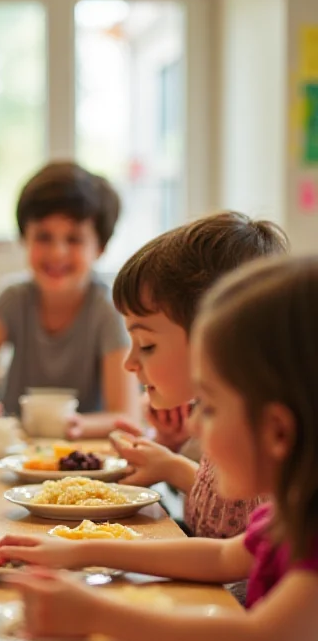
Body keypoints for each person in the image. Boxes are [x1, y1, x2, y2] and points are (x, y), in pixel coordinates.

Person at [0, 255, 318, 641]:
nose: (196, 428)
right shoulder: (292, 510)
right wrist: (76, 551)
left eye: (212, 409)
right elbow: (224, 558)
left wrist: (98, 616)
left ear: (278, 430)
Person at [110, 211, 288, 538]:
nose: (130, 363)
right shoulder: (226, 416)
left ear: (216, 337)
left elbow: (232, 554)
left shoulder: (265, 439)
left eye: (146, 345)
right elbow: (231, 511)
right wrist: (171, 465)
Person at [0, 160, 139, 439]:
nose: (57, 253)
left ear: (101, 247)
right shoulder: (11, 300)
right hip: (11, 457)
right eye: (44, 237)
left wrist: (76, 426)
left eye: (74, 239)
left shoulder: (107, 311)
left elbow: (127, 417)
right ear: (24, 239)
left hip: (81, 462)